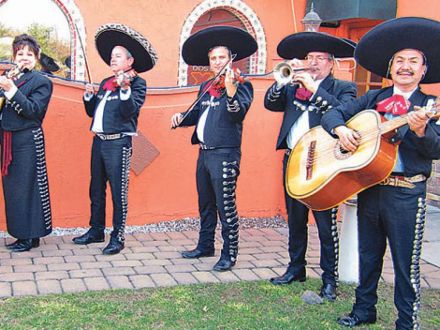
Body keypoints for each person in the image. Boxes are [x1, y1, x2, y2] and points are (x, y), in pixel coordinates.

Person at [321, 17, 440, 329]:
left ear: (423, 70)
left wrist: (422, 131)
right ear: (391, 67)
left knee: (405, 264)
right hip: (371, 187)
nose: (405, 66)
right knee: (368, 256)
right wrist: (340, 128)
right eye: (399, 60)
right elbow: (333, 112)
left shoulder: (430, 105)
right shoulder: (374, 99)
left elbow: (436, 149)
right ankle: (363, 311)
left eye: (413, 61)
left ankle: (406, 322)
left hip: (406, 194)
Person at [264, 32, 357, 301]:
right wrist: (281, 80)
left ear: (331, 64)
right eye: (309, 58)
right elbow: (270, 102)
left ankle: (330, 279)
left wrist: (316, 90)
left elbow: (346, 112)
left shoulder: (343, 87)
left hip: (324, 163)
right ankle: (296, 268)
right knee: (295, 219)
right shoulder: (294, 85)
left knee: (325, 223)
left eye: (319, 58)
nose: (313, 63)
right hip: (293, 159)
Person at [171, 26, 257, 271]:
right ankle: (205, 245)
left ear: (230, 59)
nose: (217, 61)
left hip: (225, 154)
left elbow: (237, 113)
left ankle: (229, 254)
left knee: (225, 205)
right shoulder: (207, 86)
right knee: (206, 202)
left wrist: (230, 92)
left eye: (221, 57)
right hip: (204, 153)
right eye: (213, 58)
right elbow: (197, 112)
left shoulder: (242, 85)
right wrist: (181, 117)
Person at [72, 24, 158, 255]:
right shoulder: (105, 83)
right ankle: (96, 230)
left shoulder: (137, 83)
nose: (112, 60)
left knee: (119, 192)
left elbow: (129, 111)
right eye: (112, 57)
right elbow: (94, 113)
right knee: (96, 188)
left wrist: (125, 89)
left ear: (130, 62)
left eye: (117, 57)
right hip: (99, 141)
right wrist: (89, 97)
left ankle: (117, 237)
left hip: (118, 143)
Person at [0, 34, 53, 252]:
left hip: (27, 140)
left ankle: (30, 237)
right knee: (13, 189)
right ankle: (22, 234)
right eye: (20, 54)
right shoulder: (11, 77)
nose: (24, 58)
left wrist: (11, 90)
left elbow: (34, 111)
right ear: (14, 56)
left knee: (28, 188)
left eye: (29, 54)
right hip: (9, 139)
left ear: (36, 58)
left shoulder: (41, 81)